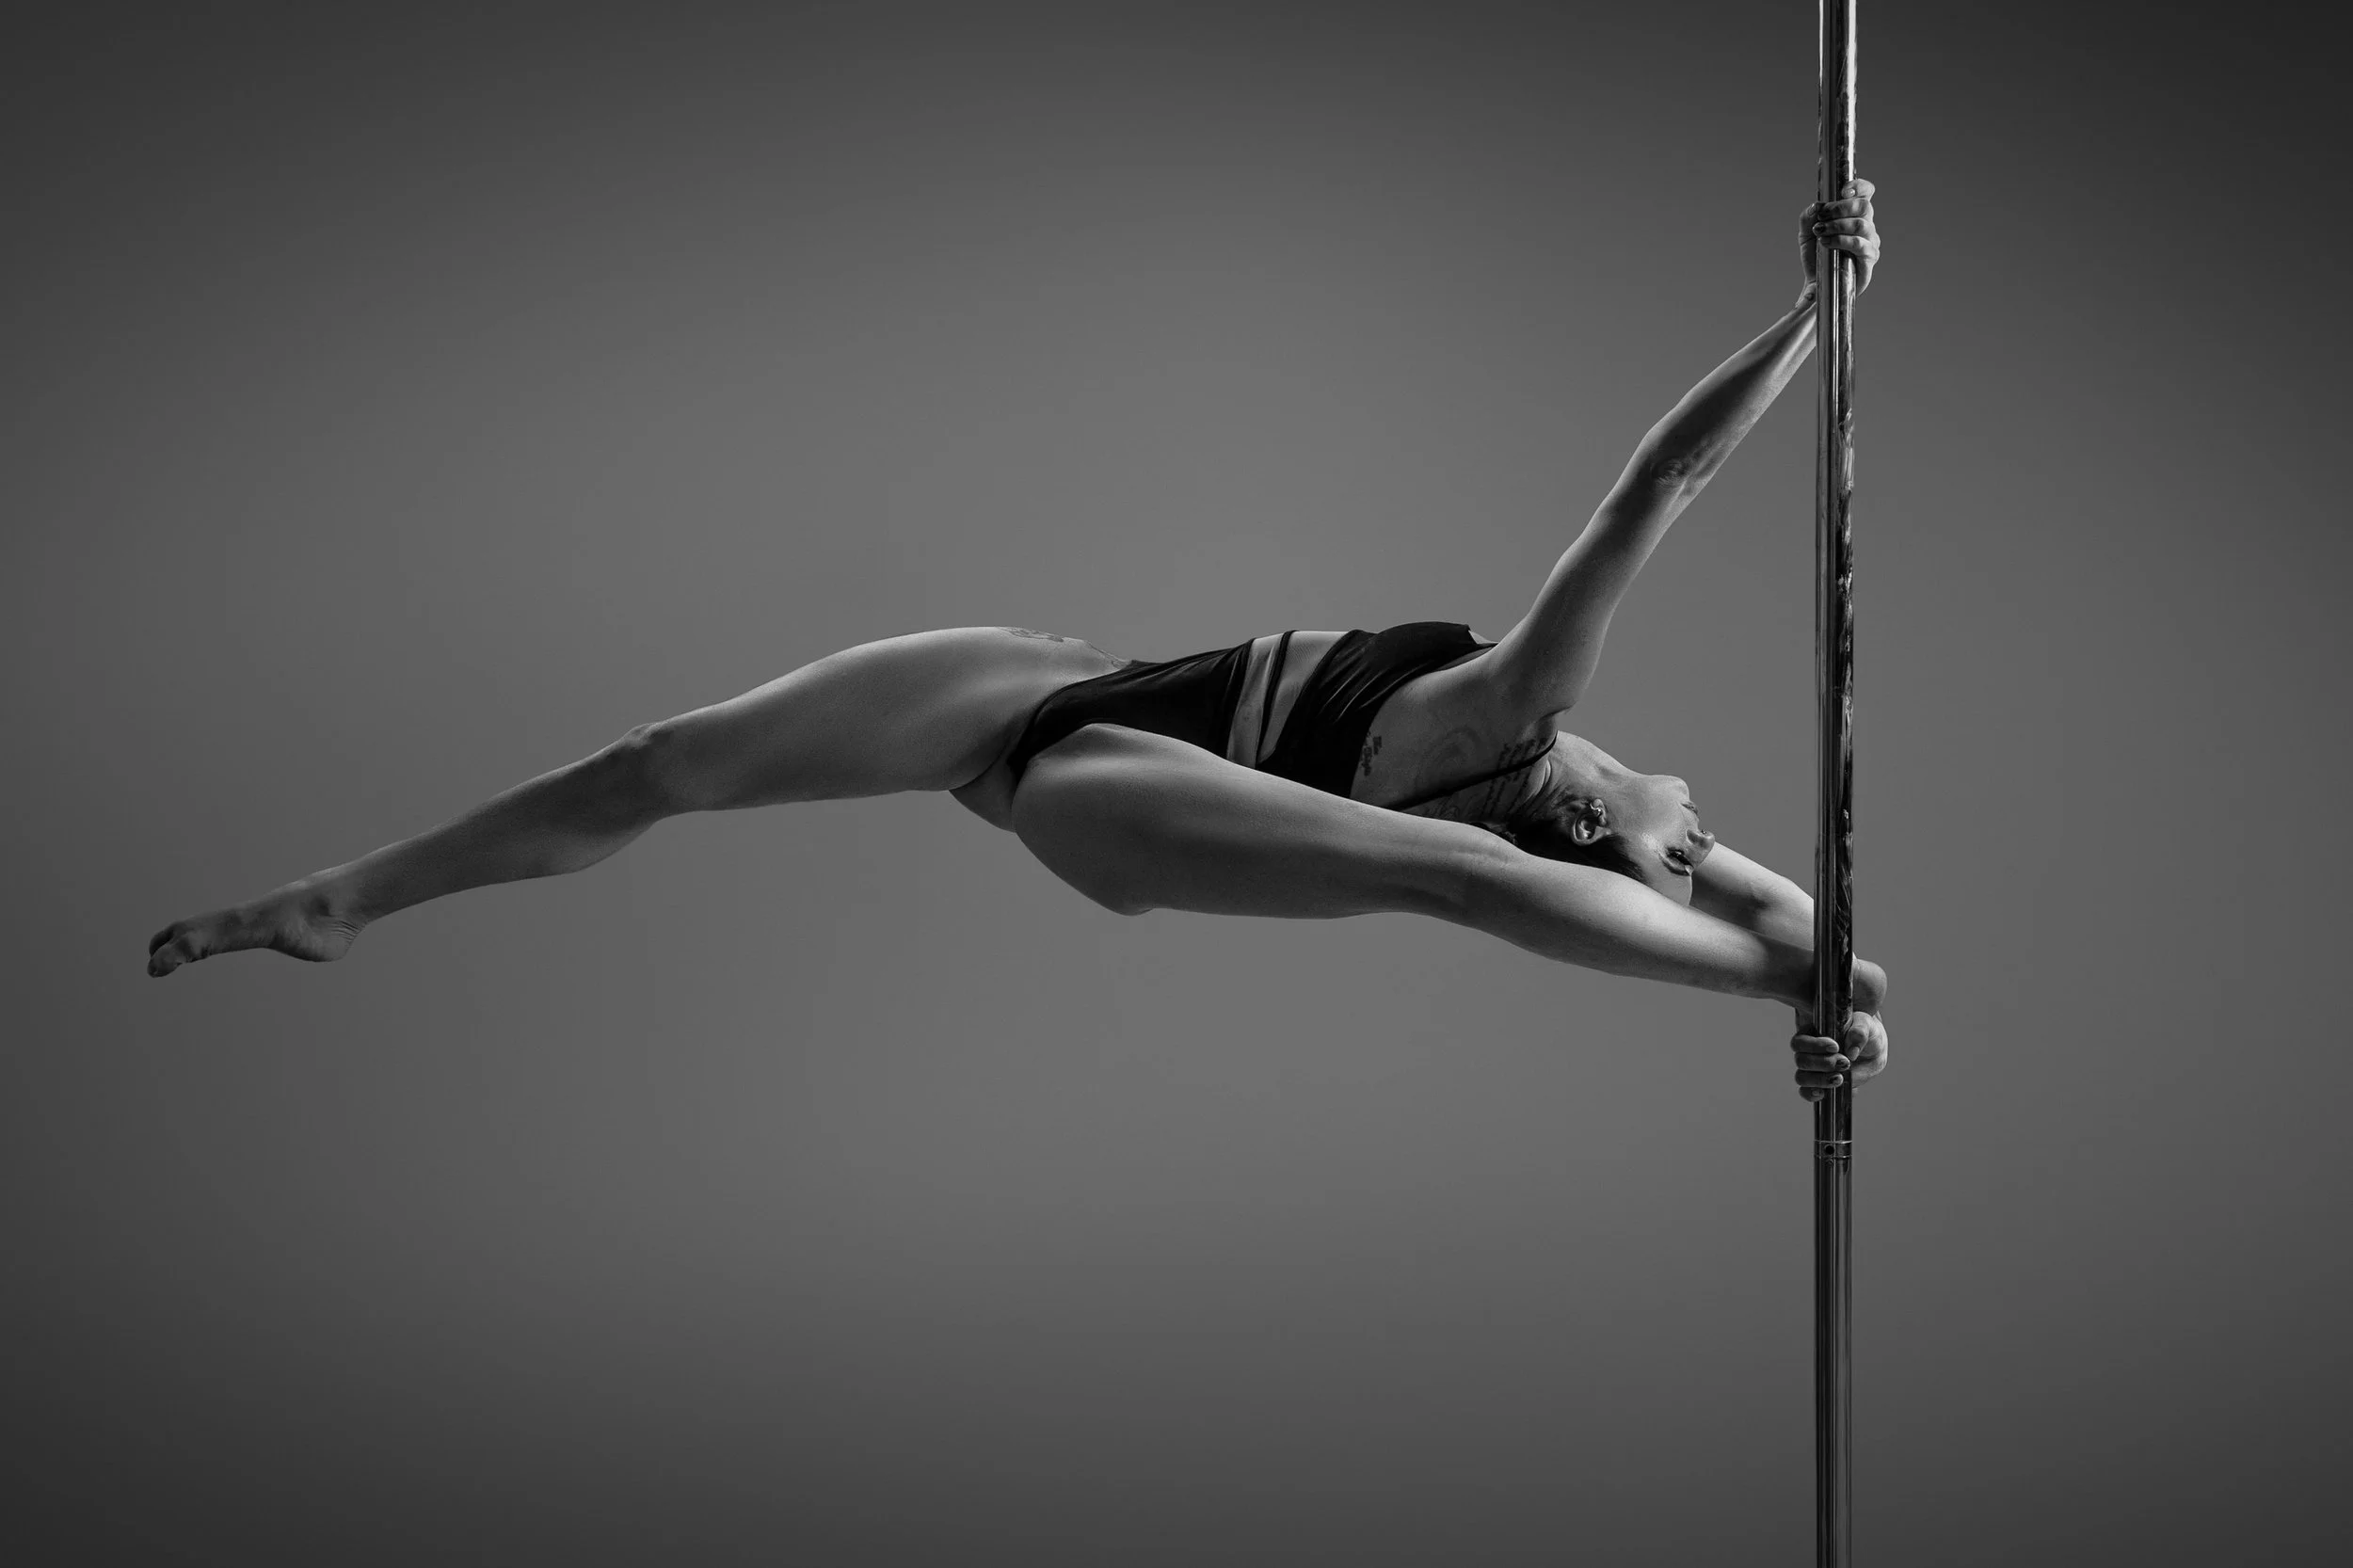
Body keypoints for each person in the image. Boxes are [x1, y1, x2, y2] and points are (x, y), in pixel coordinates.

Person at [149, 184, 1890, 1100]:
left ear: (1601, 827)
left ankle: (349, 899)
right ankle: (343, 897)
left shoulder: (1526, 742)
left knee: (1449, 884)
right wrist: (1820, 976)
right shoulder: (1566, 763)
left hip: (1114, 794)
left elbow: (1658, 486)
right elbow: (1832, 937)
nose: (1696, 821)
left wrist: (1797, 1000)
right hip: (1050, 682)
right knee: (657, 764)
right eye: (1696, 840)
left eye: (1677, 844)